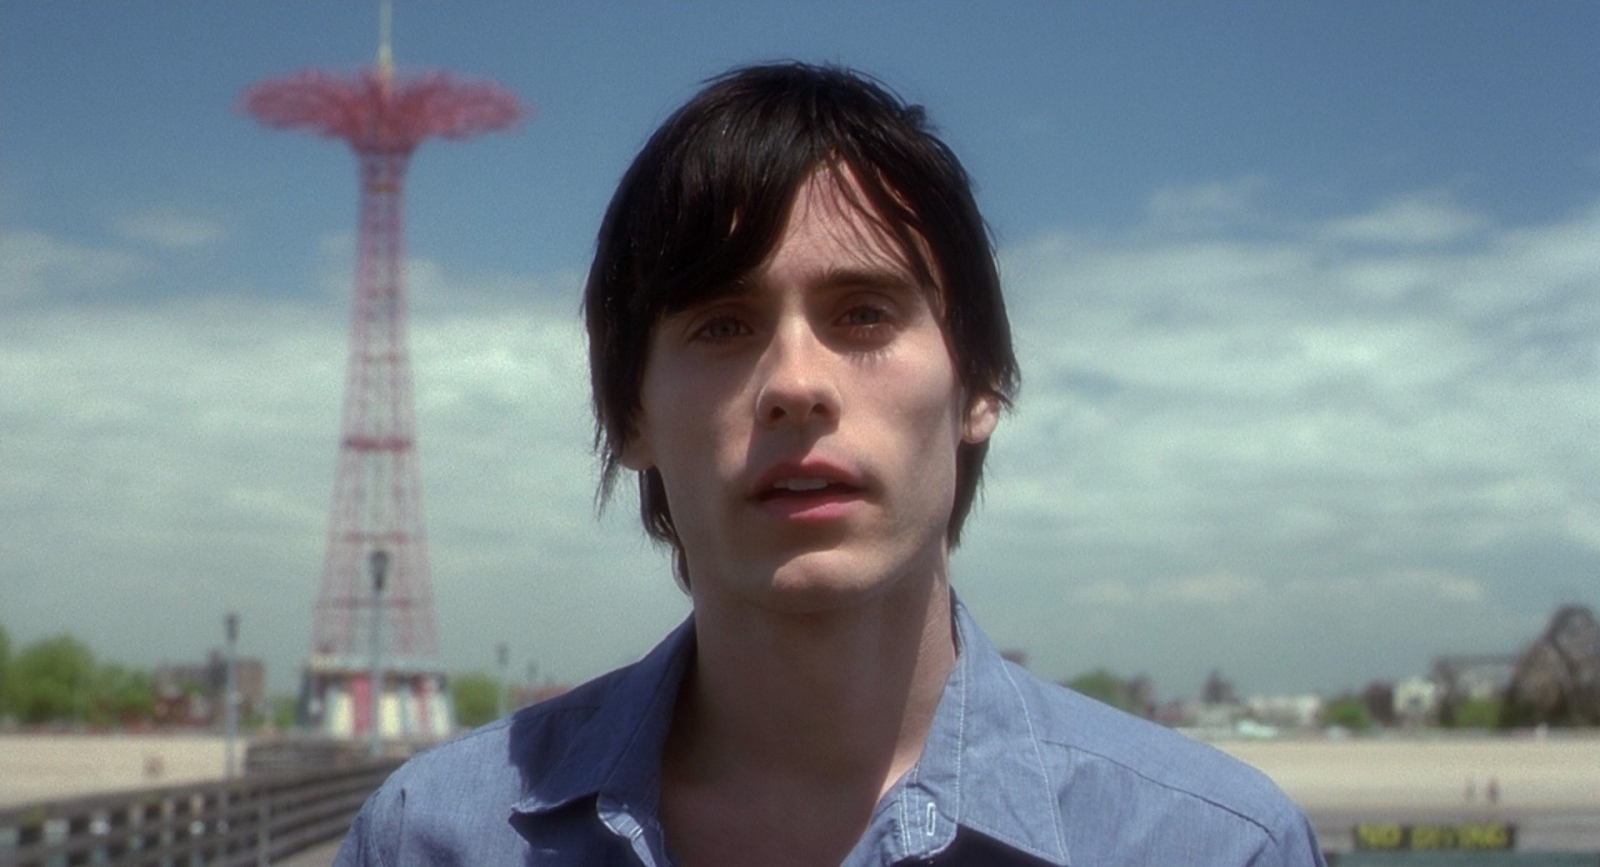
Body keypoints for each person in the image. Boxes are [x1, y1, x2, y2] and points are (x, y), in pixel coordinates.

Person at [334, 62, 1327, 867]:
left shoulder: (1209, 845)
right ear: (631, 416)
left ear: (979, 384)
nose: (796, 384)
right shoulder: (434, 839)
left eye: (863, 314)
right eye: (723, 325)